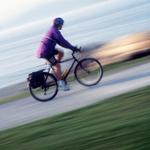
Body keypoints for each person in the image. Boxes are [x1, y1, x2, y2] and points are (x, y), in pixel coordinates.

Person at [36, 17, 79, 91]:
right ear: (58, 24)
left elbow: (61, 43)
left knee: (61, 52)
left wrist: (71, 47)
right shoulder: (54, 31)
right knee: (57, 66)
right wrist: (73, 48)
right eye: (61, 24)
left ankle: (55, 68)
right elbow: (63, 41)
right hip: (45, 52)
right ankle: (61, 84)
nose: (62, 26)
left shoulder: (53, 30)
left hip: (48, 50)